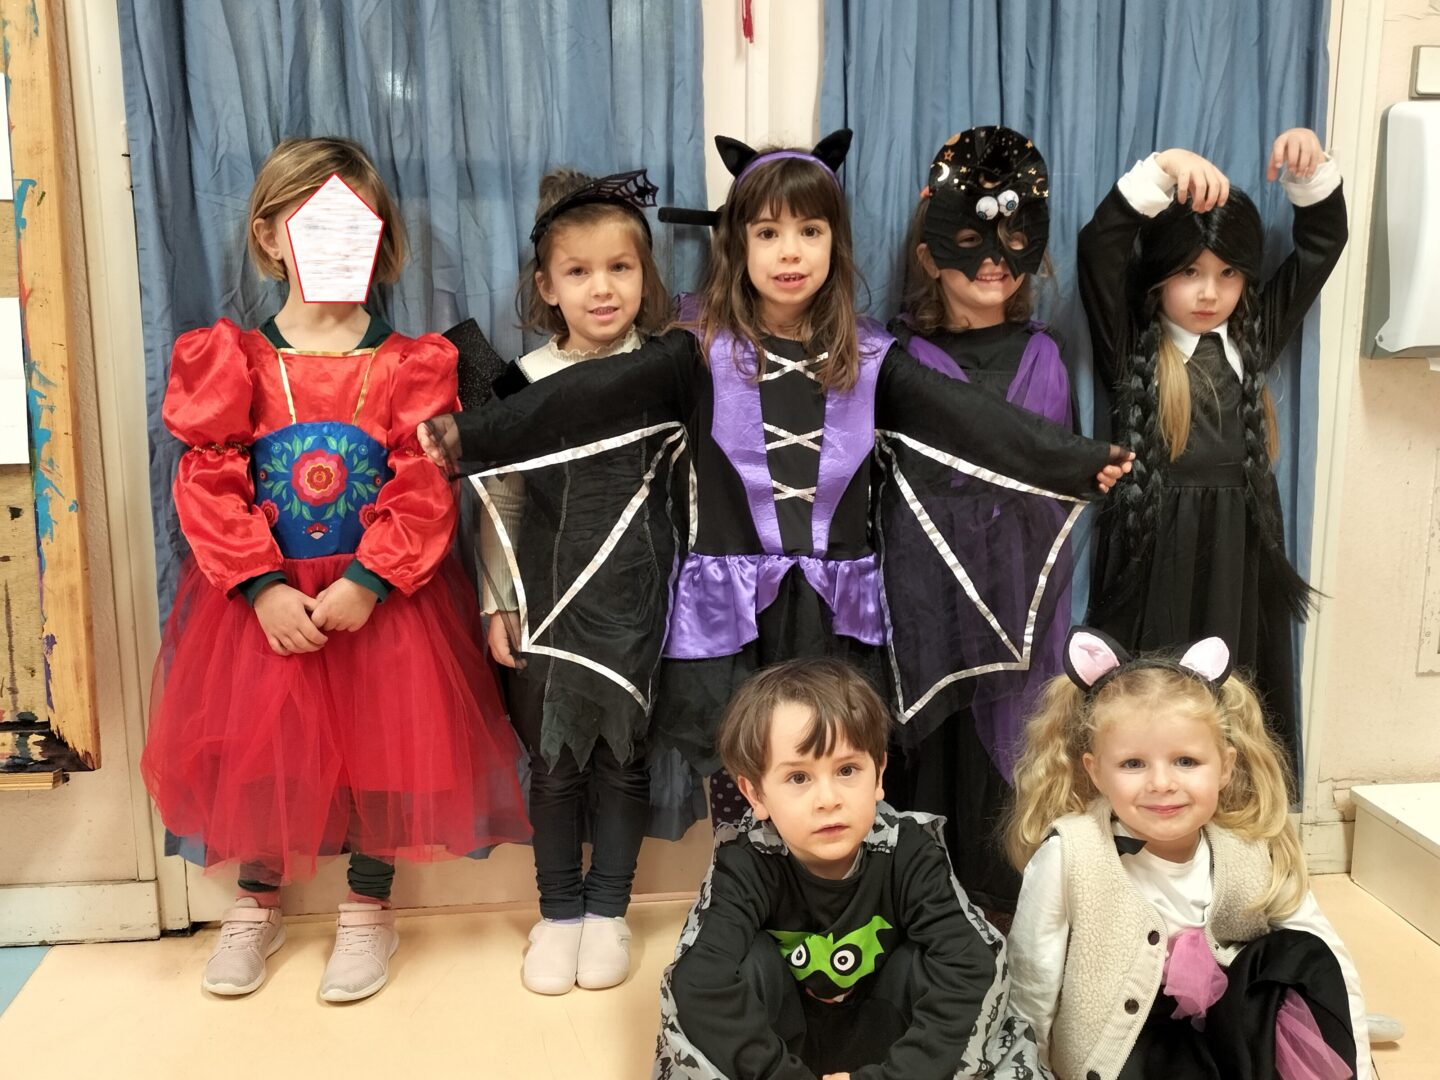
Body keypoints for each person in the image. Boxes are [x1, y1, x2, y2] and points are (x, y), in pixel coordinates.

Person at [420, 129, 1133, 829]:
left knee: (833, 785)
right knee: (746, 794)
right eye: (767, 233)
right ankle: (743, 889)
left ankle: (828, 893)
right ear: (738, 246)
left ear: (835, 244)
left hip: (837, 623)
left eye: (810, 231)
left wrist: (1071, 460)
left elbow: (970, 420)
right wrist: (471, 435)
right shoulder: (697, 351)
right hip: (732, 625)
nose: (790, 251)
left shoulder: (872, 357)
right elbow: (582, 397)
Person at [142, 136, 529, 1002]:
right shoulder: (232, 360)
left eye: (356, 227)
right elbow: (207, 478)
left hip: (381, 603)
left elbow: (425, 481)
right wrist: (260, 585)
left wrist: (370, 579)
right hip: (264, 603)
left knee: (382, 749)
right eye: (315, 226)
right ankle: (256, 903)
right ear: (270, 237)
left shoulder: (412, 365)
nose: (337, 245)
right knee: (266, 751)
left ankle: (368, 908)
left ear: (381, 240)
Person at [1079, 129, 1347, 775]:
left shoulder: (1252, 336)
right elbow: (1100, 247)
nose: (1209, 293)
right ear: (1159, 277)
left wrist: (1309, 170)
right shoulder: (1133, 344)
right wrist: (1165, 168)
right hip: (1153, 544)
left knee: (1232, 685)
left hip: (1239, 545)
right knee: (1152, 688)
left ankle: (1234, 807)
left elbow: (1322, 244)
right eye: (1190, 273)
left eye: (1228, 274)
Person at [477, 166, 677, 995]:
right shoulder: (520, 383)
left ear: (644, 276)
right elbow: (501, 499)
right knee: (555, 765)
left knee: (624, 762)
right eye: (579, 271)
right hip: (548, 601)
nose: (602, 288)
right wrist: (499, 601)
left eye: (620, 268)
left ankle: (609, 911)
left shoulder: (666, 371)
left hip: (636, 602)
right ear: (547, 286)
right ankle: (558, 913)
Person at [1004, 626, 1370, 1079]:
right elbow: (1032, 982)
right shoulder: (1070, 854)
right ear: (1096, 773)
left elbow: (1329, 960)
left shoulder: (1247, 847)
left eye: (1186, 761)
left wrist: (1356, 1057)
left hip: (1227, 1033)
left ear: (1225, 767)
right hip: (1124, 1047)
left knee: (1303, 951)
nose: (1162, 783)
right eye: (1133, 764)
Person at [655, 657, 1040, 1080]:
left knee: (954, 972)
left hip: (892, 1046)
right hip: (776, 1048)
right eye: (799, 778)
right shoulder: (746, 860)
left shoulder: (909, 850)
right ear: (755, 794)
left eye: (847, 770)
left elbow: (972, 964)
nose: (828, 799)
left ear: (878, 774)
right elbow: (699, 981)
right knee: (732, 971)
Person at [885, 125, 1076, 917]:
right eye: (967, 242)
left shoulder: (1046, 356)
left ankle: (1006, 899)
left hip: (1022, 591)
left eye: (1011, 241)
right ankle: (929, 902)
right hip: (928, 592)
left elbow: (1058, 479)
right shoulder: (896, 359)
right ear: (929, 255)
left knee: (1015, 737)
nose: (993, 259)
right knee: (937, 747)